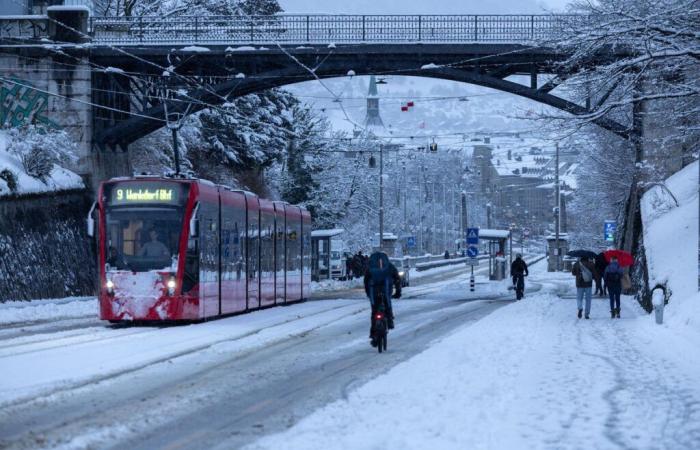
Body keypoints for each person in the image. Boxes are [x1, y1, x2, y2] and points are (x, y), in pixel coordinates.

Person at [363, 251, 401, 347]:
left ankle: (373, 334)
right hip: (386, 291)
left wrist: (368, 294)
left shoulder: (370, 268)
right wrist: (398, 292)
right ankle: (390, 321)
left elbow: (366, 281)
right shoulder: (389, 266)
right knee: (388, 306)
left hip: (374, 293)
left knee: (374, 312)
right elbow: (397, 279)